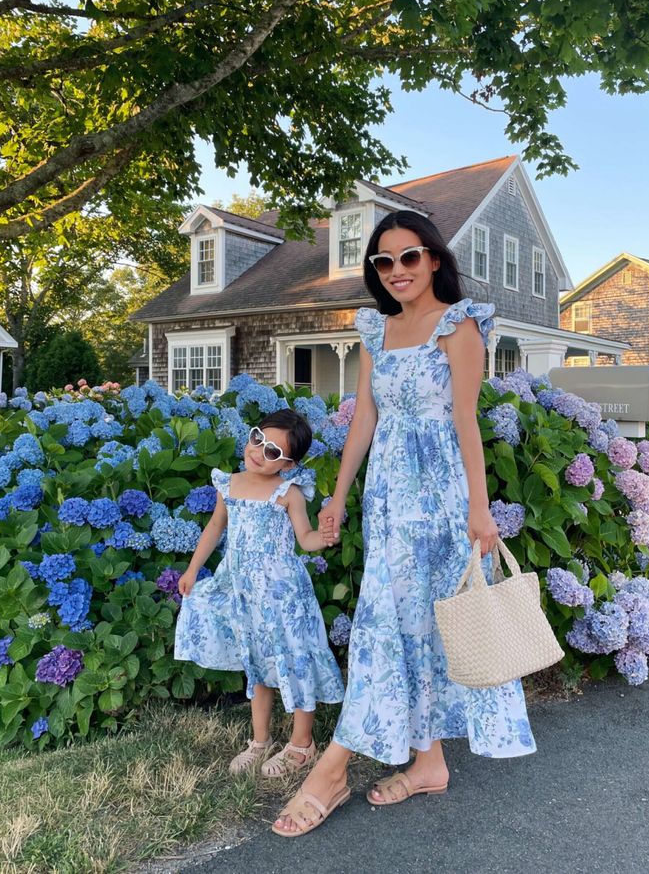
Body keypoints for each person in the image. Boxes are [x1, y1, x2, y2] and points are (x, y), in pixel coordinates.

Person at [273, 210, 536, 837]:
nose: (396, 272)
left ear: (434, 259)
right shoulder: (376, 330)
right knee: (401, 620)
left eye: (408, 257)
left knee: (416, 621)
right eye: (383, 262)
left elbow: (467, 422)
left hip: (440, 500)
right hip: (390, 499)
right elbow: (364, 417)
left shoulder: (459, 325)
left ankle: (334, 768)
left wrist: (479, 509)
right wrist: (337, 496)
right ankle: (429, 764)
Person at [174, 408, 344, 777]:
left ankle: (302, 744)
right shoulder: (229, 484)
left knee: (295, 658)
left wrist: (325, 537)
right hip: (244, 590)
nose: (258, 451)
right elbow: (215, 528)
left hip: (282, 593)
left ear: (288, 464)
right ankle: (260, 741)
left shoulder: (289, 492)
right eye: (257, 438)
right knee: (257, 661)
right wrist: (192, 569)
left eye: (271, 452)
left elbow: (305, 539)